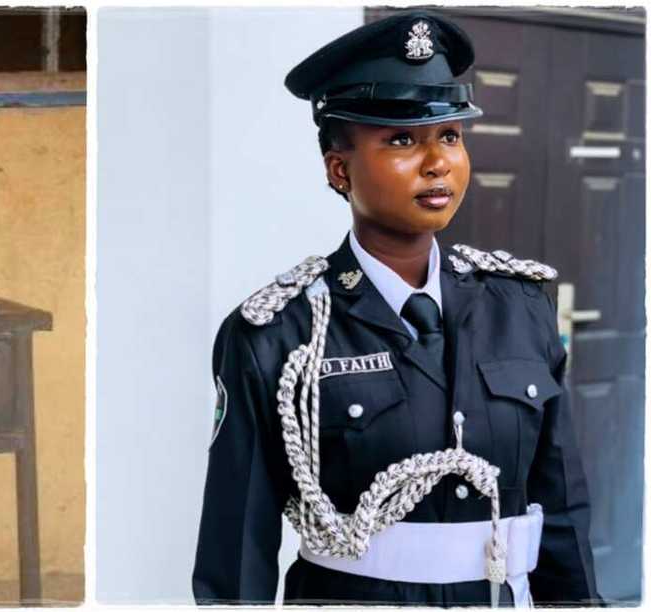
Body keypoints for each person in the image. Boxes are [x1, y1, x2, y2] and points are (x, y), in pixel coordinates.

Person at [192, 11, 599, 607]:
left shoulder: (522, 307)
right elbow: (234, 560)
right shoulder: (278, 335)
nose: (437, 162)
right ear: (339, 170)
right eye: (402, 141)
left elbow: (561, 511)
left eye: (451, 136)